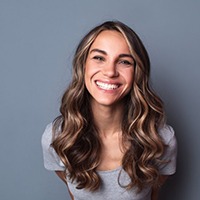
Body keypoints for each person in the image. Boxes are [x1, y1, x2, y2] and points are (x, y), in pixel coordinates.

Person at [41, 20, 177, 200]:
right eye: (99, 58)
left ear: (137, 72)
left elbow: (153, 194)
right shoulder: (57, 137)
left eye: (124, 61)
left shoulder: (160, 140)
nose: (110, 71)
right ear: (83, 65)